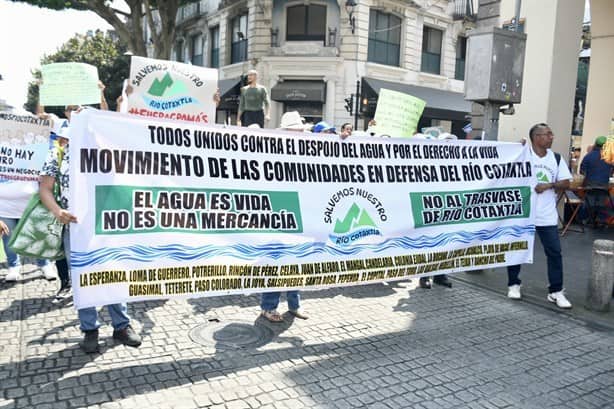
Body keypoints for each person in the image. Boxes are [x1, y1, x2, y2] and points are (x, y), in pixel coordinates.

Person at [39, 113, 141, 353]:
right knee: (83, 277)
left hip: (107, 224)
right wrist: (57, 211)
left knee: (114, 273)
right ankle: (90, 329)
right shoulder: (58, 153)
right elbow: (44, 189)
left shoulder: (109, 148)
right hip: (74, 227)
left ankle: (121, 326)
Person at [507, 123, 572, 309]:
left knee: (554, 252)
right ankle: (513, 284)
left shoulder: (556, 158)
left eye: (551, 133)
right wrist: (513, 149)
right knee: (517, 249)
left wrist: (549, 185)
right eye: (547, 134)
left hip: (547, 215)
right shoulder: (523, 154)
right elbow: (503, 168)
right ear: (536, 137)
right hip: (523, 213)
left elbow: (566, 182)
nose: (552, 137)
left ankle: (556, 291)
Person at [259, 112, 310, 323]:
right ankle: (268, 307)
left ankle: (294, 304)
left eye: (299, 131)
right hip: (277, 214)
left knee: (294, 262)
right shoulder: (271, 152)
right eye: (295, 131)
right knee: (275, 262)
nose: (298, 134)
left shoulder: (304, 153)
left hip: (297, 215)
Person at [1, 112, 56, 282]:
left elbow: (49, 128)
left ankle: (45, 264)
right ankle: (13, 266)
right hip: (4, 206)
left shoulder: (35, 149)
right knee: (8, 238)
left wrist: (44, 122)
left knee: (37, 236)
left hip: (30, 202)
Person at [580, 136, 614, 226]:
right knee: (602, 201)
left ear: (595, 144)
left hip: (590, 186)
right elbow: (611, 172)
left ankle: (586, 218)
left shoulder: (588, 156)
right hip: (604, 187)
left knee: (588, 200)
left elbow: (582, 171)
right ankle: (600, 219)